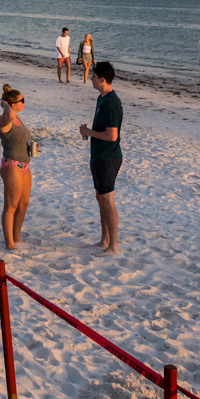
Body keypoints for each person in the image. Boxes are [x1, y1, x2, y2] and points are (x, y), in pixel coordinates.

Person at [78, 61, 123, 254]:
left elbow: (112, 135)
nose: (91, 79)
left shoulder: (112, 102)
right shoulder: (101, 98)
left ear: (103, 79)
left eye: (94, 77)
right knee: (100, 198)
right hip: (98, 156)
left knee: (107, 200)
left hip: (108, 157)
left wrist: (89, 132)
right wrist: (89, 134)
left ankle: (113, 244)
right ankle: (104, 239)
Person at [0, 84, 35, 250]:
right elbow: (9, 113)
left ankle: (17, 237)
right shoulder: (4, 119)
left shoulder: (17, 118)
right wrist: (4, 103)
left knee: (23, 203)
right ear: (13, 105)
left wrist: (32, 147)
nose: (24, 102)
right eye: (22, 100)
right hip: (11, 165)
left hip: (24, 164)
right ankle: (9, 243)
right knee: (10, 205)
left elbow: (19, 138)